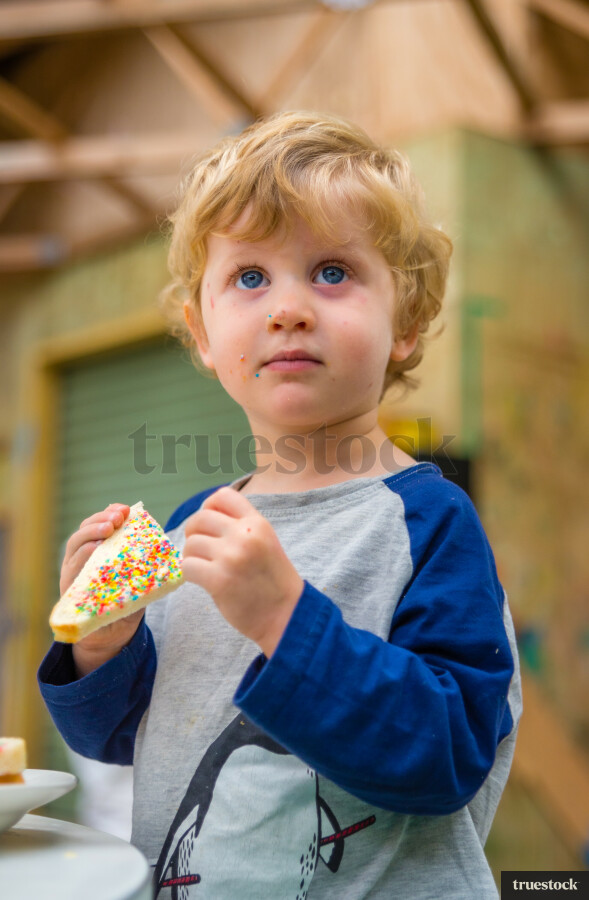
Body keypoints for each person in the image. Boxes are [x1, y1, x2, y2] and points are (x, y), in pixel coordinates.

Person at [39, 111, 521, 899]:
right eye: (250, 278)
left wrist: (285, 622)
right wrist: (103, 641)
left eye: (332, 271)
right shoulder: (195, 522)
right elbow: (122, 739)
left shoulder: (428, 523)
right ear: (202, 331)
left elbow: (447, 756)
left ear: (403, 320)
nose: (288, 307)